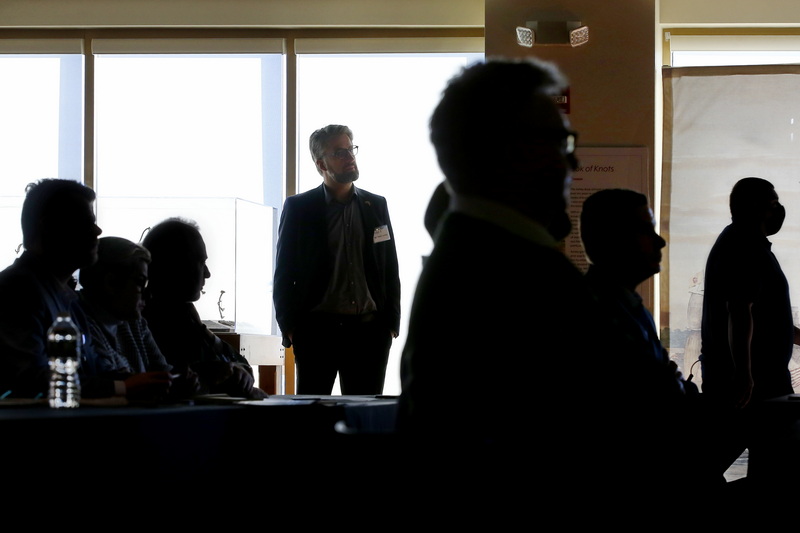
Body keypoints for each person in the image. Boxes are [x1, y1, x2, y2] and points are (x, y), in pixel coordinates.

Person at [395, 59, 656, 520]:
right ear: (511, 150)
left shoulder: (479, 255)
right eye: (562, 142)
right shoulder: (512, 272)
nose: (573, 160)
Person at [579, 188, 733, 490]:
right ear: (614, 239)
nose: (660, 241)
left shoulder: (623, 305)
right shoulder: (601, 314)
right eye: (645, 230)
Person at [273, 124, 401, 395]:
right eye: (339, 152)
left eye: (350, 149)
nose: (350, 157)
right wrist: (291, 328)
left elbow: (389, 267)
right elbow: (284, 273)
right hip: (318, 332)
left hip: (370, 332)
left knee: (363, 421)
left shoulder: (376, 205)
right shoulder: (299, 208)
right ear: (321, 163)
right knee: (313, 418)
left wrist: (390, 325)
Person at [700, 177, 800, 488]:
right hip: (754, 386)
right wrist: (744, 373)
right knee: (774, 463)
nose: (778, 210)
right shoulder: (743, 245)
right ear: (756, 208)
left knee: (773, 461)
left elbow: (765, 314)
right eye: (772, 204)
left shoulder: (748, 245)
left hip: (758, 382)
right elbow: (739, 310)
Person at [0, 178, 113, 398]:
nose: (97, 231)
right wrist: (124, 388)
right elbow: (29, 378)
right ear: (50, 227)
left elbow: (96, 370)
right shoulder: (16, 290)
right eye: (85, 223)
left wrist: (162, 381)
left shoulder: (68, 299)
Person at [141, 217, 267, 399]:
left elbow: (241, 368)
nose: (207, 273)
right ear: (175, 265)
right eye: (200, 262)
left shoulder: (183, 315)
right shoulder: (151, 321)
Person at [77, 236, 202, 401]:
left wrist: (183, 379)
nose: (147, 294)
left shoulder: (134, 322)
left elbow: (163, 372)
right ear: (111, 283)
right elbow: (108, 380)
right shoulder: (78, 322)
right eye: (140, 282)